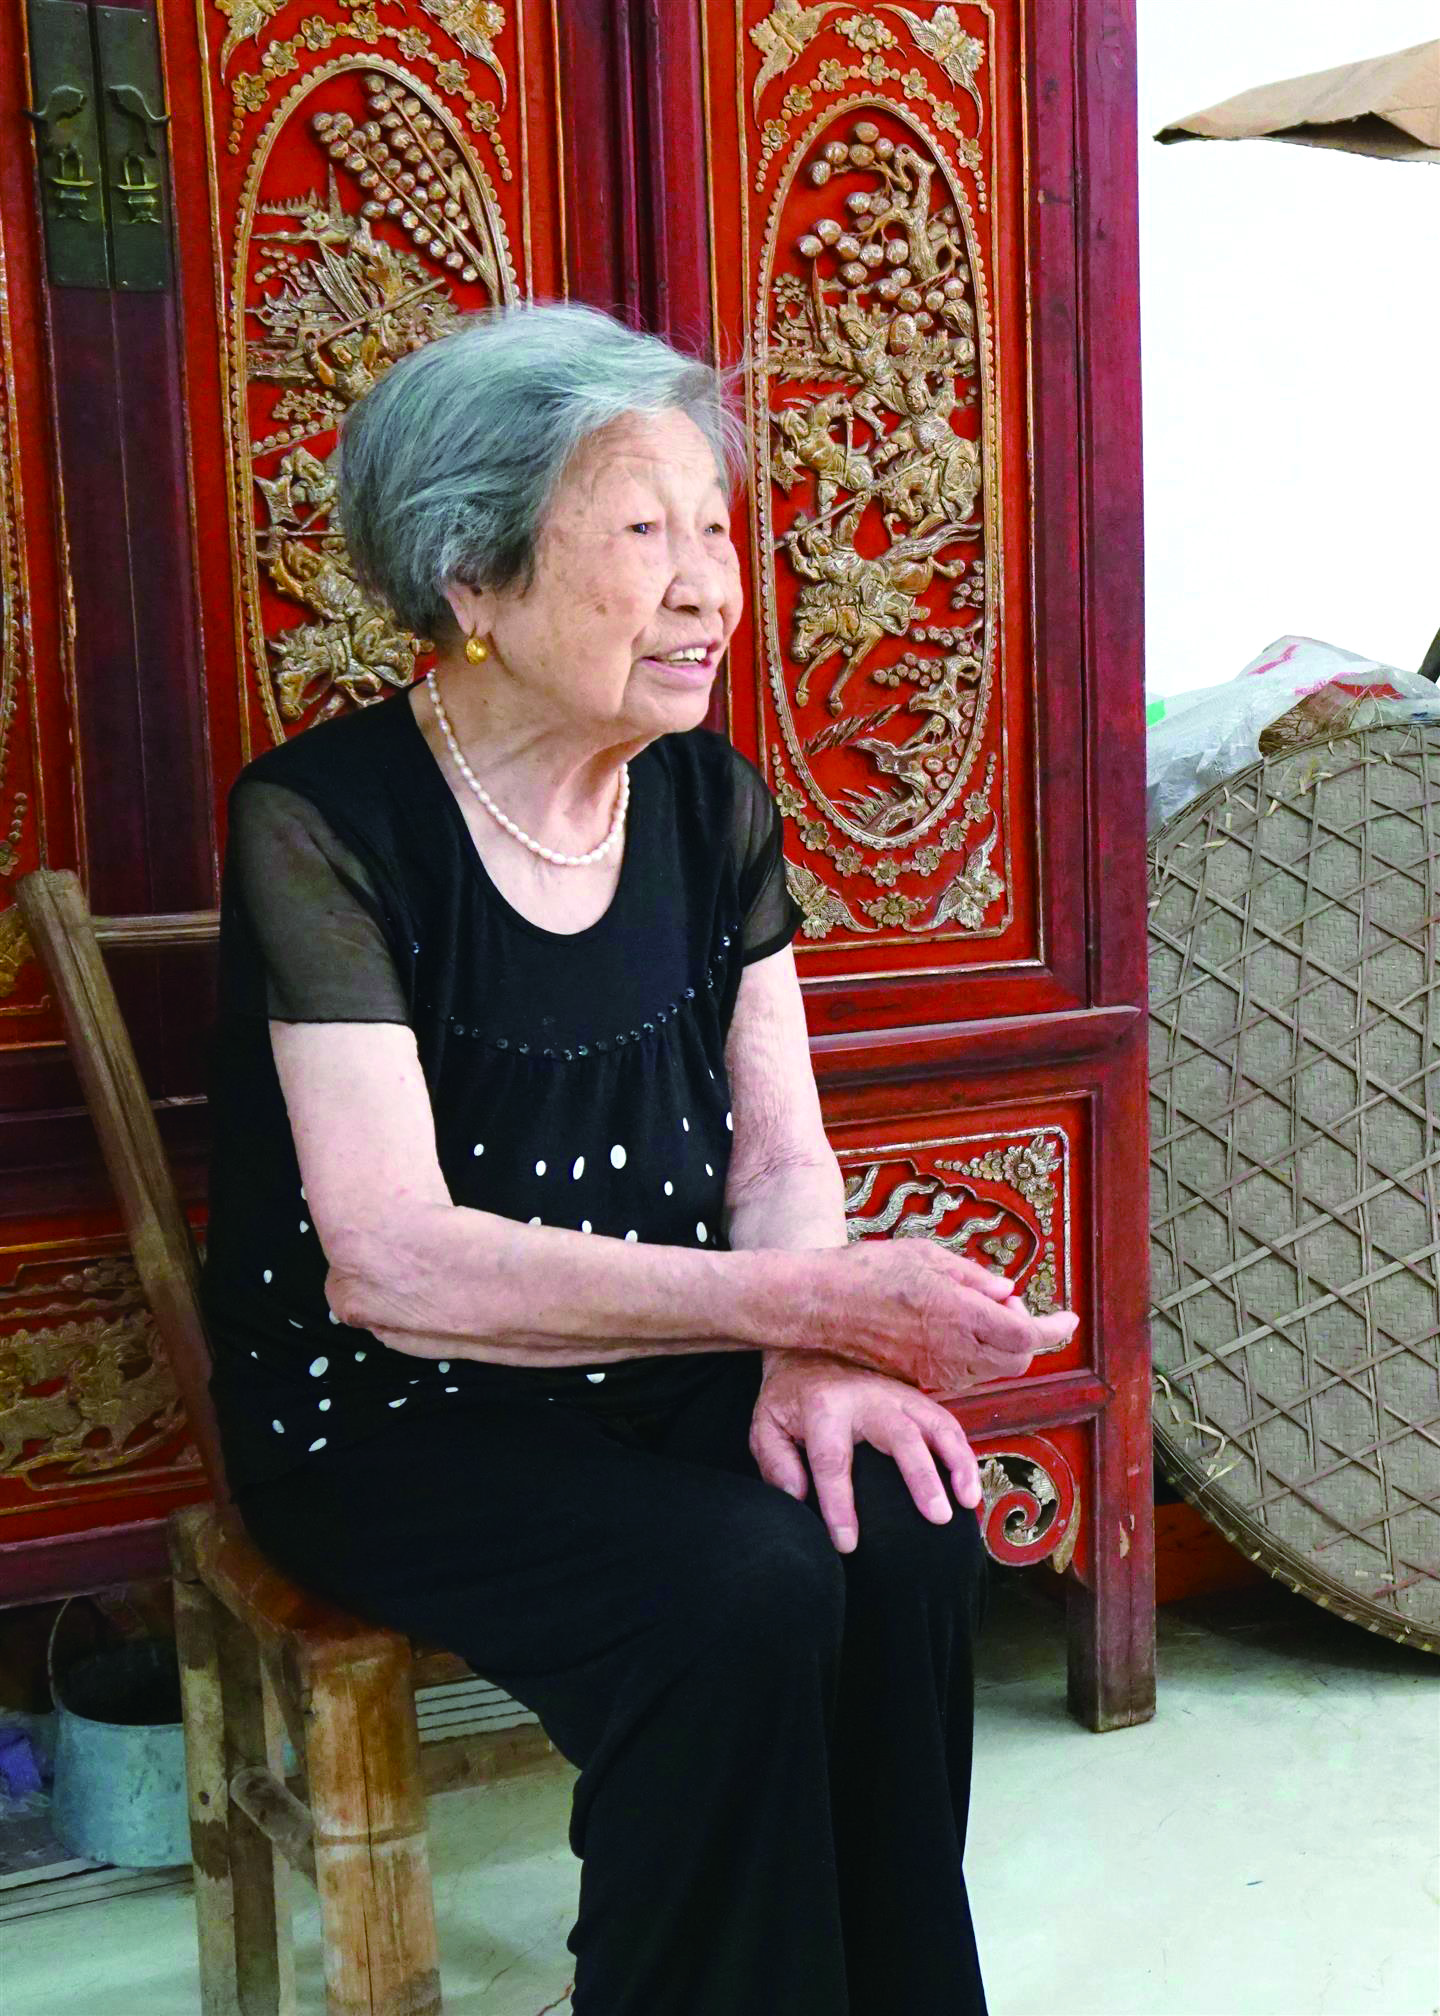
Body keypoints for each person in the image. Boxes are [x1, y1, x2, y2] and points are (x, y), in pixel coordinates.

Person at [200, 300, 1078, 2016]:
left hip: (662, 1361)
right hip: (397, 1408)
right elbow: (391, 1263)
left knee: (903, 1521)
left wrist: (814, 1353)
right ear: (473, 577)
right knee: (738, 1587)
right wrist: (805, 1305)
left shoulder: (706, 799)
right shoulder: (324, 822)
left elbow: (782, 1151)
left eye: (717, 530)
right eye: (643, 534)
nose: (710, 588)